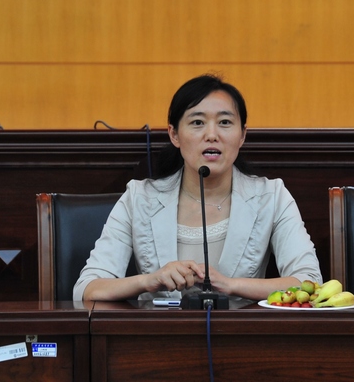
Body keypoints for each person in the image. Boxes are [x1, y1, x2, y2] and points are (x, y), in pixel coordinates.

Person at [73, 74, 322, 302]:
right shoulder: (140, 198)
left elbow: (310, 282)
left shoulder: (271, 197)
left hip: (242, 334)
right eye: (197, 122)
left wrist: (231, 285)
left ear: (242, 135)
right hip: (156, 334)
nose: (212, 134)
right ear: (174, 135)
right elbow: (87, 289)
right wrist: (149, 280)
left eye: (225, 122)